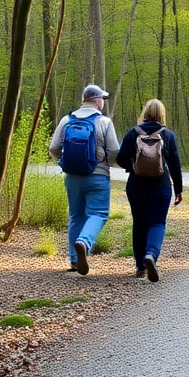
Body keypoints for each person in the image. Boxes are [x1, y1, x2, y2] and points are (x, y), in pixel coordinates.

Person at [48, 84, 120, 275]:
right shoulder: (104, 122)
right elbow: (114, 150)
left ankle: (74, 260)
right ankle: (84, 242)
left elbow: (54, 147)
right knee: (99, 213)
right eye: (102, 100)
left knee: (75, 215)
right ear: (97, 101)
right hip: (98, 175)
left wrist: (64, 162)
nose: (102, 103)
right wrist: (109, 163)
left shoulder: (66, 120)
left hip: (72, 177)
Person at [116, 99, 183, 282]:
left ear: (144, 113)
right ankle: (151, 255)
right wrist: (178, 189)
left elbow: (120, 158)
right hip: (161, 186)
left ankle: (140, 267)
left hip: (136, 186)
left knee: (139, 224)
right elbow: (175, 165)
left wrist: (135, 166)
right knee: (158, 223)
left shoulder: (133, 133)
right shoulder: (167, 135)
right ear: (162, 114)